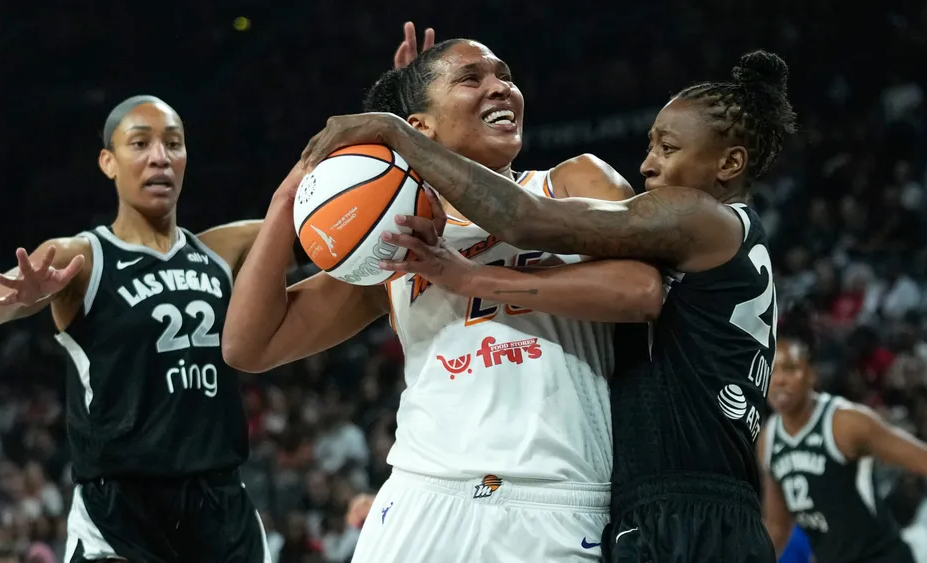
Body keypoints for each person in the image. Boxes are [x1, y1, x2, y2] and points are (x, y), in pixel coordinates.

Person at [301, 50, 799, 562]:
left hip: (684, 509)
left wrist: (402, 137)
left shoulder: (702, 217)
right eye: (651, 146)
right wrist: (425, 123)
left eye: (668, 149)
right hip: (677, 503)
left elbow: (526, 218)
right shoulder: (723, 240)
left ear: (730, 163)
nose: (647, 165)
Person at [224, 39, 663, 562]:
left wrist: (471, 278)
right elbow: (249, 346)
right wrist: (288, 199)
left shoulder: (570, 182)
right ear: (419, 127)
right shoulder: (395, 238)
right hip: (422, 497)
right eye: (471, 78)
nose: (500, 87)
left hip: (555, 498)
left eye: (505, 75)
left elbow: (640, 291)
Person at [0, 96, 273, 563]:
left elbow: (323, 224)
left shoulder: (221, 250)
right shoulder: (84, 257)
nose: (160, 157)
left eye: (174, 143)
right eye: (140, 143)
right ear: (108, 162)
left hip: (219, 506)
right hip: (120, 513)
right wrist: (17, 299)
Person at [760, 317, 927, 562]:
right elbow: (778, 525)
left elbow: (922, 460)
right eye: (771, 371)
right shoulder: (768, 439)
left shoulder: (845, 423)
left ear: (811, 375)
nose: (779, 380)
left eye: (790, 369)